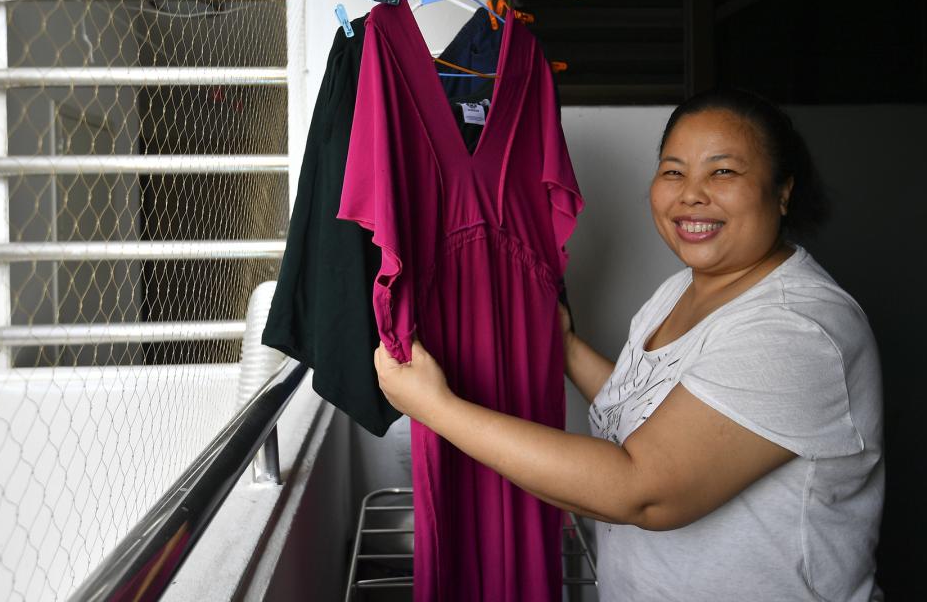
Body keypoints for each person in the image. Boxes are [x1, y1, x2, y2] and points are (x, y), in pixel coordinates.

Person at [374, 90, 884, 601]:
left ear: (782, 191)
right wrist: (565, 346)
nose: (691, 194)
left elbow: (643, 492)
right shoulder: (680, 291)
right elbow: (648, 410)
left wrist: (435, 408)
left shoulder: (797, 330)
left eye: (723, 172)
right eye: (673, 171)